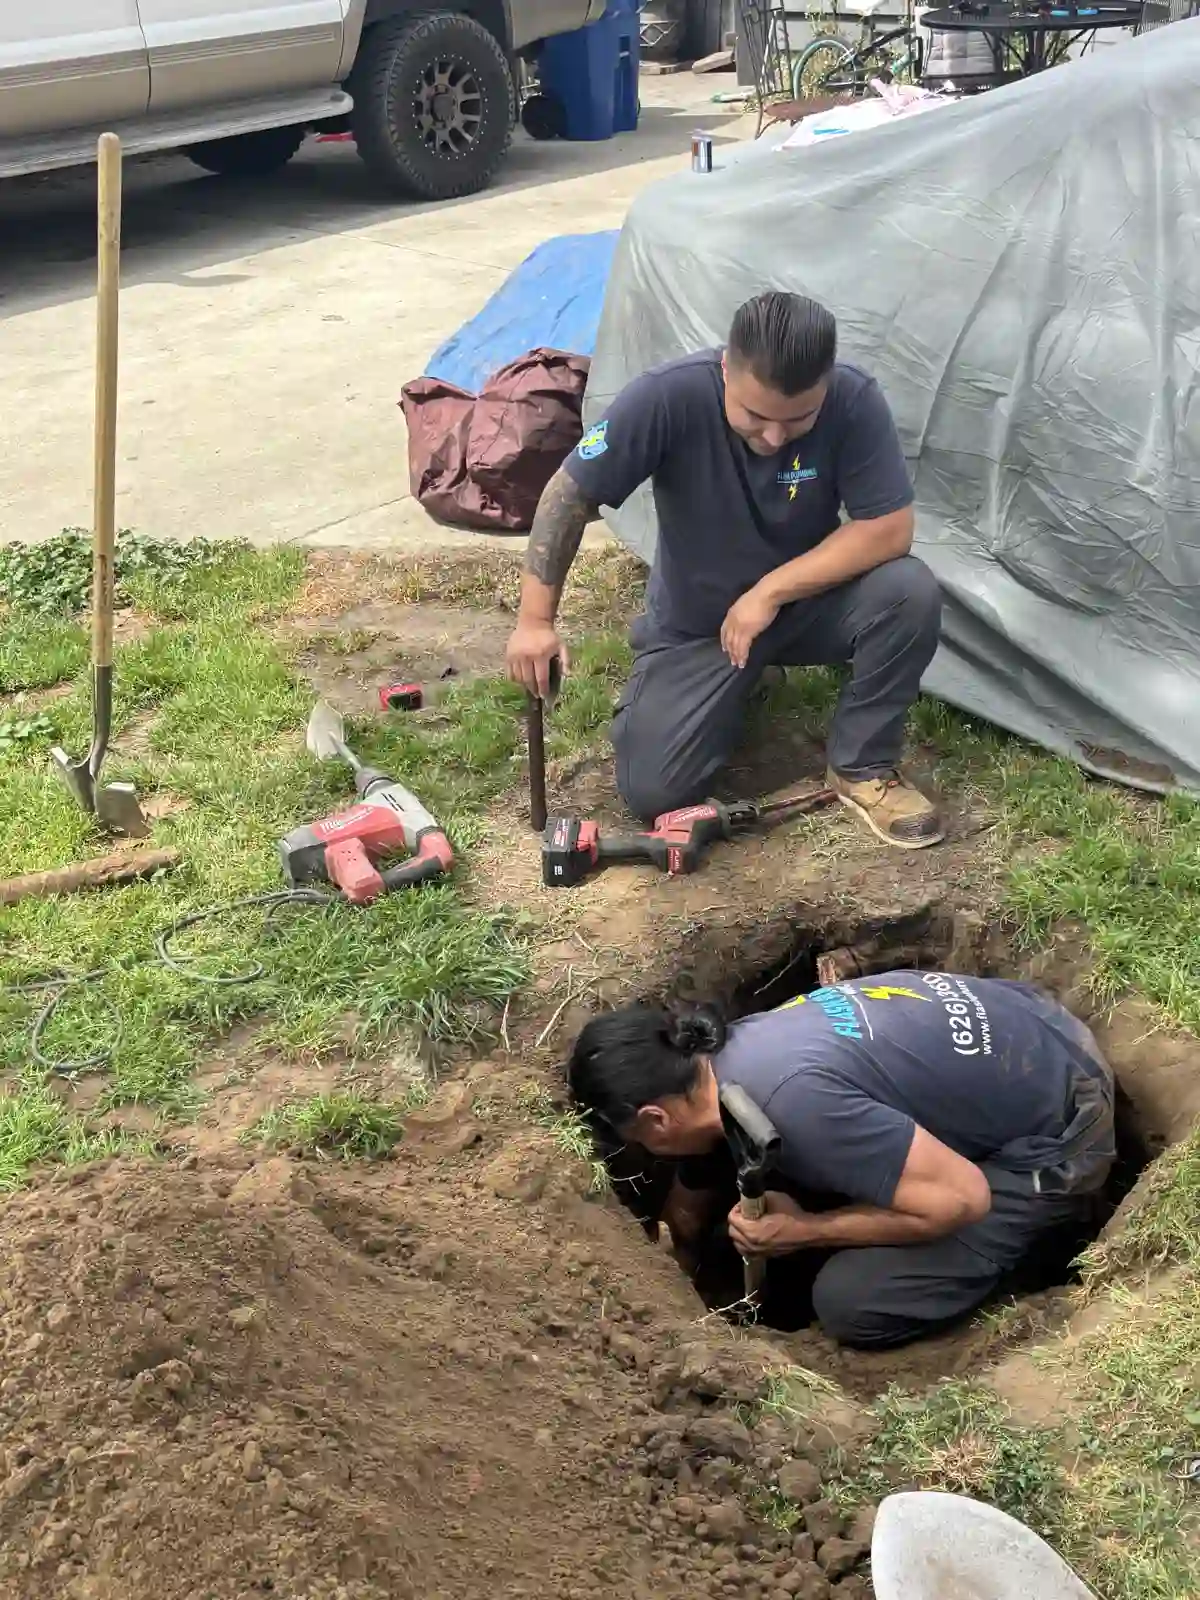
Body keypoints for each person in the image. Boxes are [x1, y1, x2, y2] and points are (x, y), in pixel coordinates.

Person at [505, 291, 944, 849]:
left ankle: (862, 765)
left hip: (805, 606)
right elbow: (568, 496)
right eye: (756, 417)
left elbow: (888, 527)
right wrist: (535, 621)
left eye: (799, 419)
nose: (776, 437)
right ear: (724, 371)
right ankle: (736, 681)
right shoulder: (666, 398)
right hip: (699, 626)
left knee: (910, 592)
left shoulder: (854, 400)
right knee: (654, 791)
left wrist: (770, 591)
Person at [566, 971, 1116, 1349]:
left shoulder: (795, 1103)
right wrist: (680, 1241)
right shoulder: (729, 1053)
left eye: (636, 1137)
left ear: (657, 1120)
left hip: (1061, 1126)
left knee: (849, 1299)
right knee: (830, 1166)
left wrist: (805, 1232)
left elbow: (963, 1199)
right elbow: (699, 1178)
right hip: (1030, 1024)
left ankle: (1031, 1260)